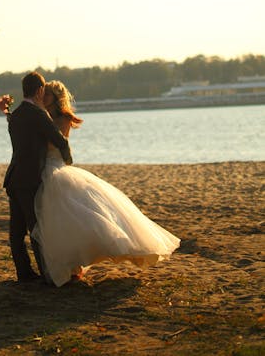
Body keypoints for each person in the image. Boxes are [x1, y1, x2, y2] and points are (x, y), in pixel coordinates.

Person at [32, 80, 181, 287]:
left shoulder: (63, 119)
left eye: (46, 95)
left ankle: (77, 264)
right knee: (59, 221)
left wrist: (41, 116)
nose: (42, 98)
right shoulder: (41, 117)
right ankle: (70, 267)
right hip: (45, 169)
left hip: (56, 169)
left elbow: (55, 142)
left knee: (71, 217)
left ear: (56, 98)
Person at [1, 71, 73, 283]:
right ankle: (46, 274)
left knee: (16, 231)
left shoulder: (17, 115)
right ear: (40, 90)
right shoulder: (38, 114)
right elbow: (61, 141)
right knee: (36, 228)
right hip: (30, 179)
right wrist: (68, 162)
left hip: (13, 178)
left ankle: (23, 273)